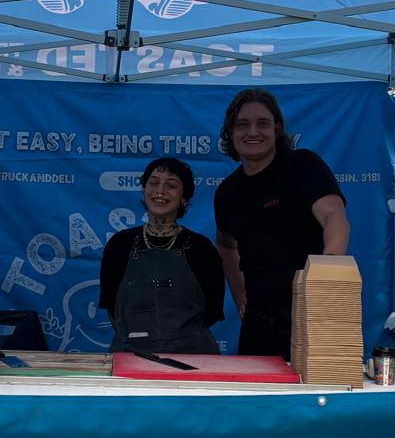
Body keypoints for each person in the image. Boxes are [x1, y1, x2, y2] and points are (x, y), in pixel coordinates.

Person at [214, 88, 349, 358]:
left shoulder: (303, 165)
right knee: (254, 386)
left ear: (277, 129)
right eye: (243, 124)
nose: (253, 132)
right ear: (230, 133)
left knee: (315, 385)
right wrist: (240, 298)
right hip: (257, 321)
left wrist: (326, 274)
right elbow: (226, 246)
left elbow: (334, 217)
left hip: (311, 312)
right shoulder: (227, 192)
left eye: (263, 123)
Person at [99, 156, 225, 354]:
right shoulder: (119, 245)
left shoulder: (202, 249)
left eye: (171, 185)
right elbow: (112, 308)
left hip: (193, 358)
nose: (160, 191)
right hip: (130, 358)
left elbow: (211, 313)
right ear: (144, 191)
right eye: (153, 183)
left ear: (184, 198)